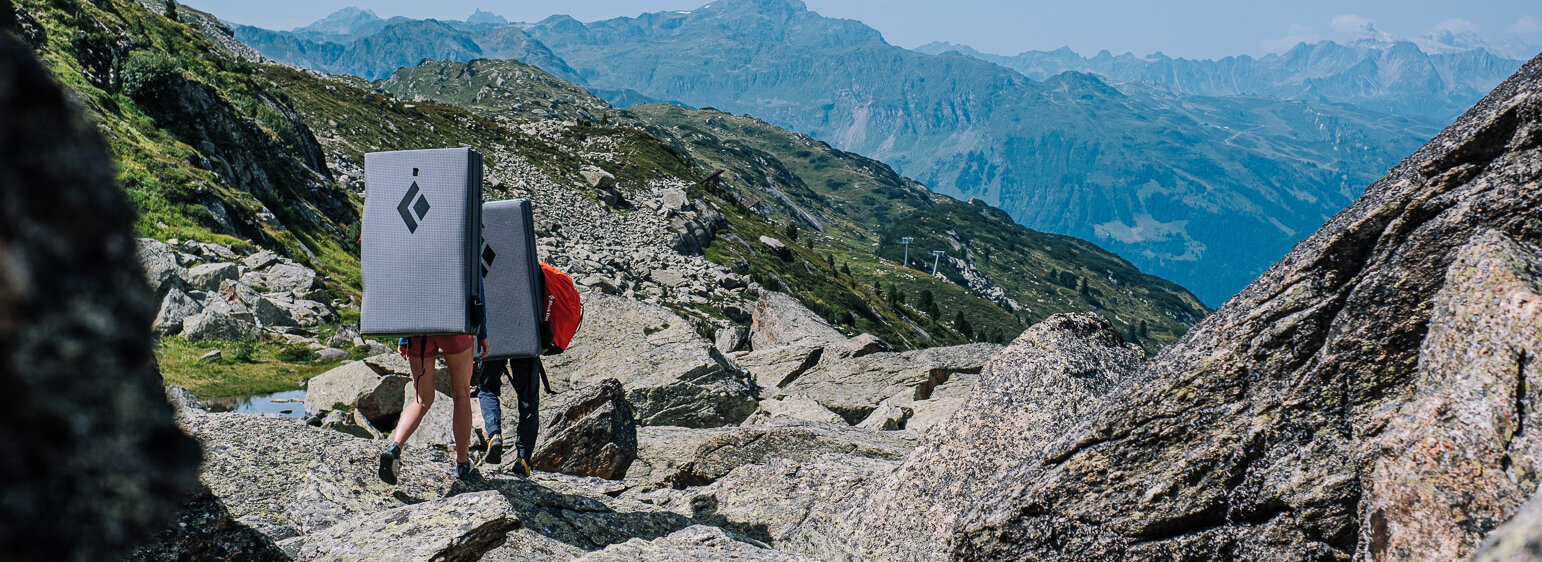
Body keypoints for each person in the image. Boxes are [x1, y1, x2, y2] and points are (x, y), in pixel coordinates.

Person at [378, 316, 489, 484]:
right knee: (461, 395)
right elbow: (477, 294)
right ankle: (462, 463)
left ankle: (395, 448)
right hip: (455, 326)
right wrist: (482, 333)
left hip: (419, 329)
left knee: (421, 398)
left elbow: (407, 298)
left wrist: (404, 337)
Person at [476, 357, 540, 476]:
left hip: (492, 343)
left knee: (487, 389)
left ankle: (495, 435)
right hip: (526, 343)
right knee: (529, 401)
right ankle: (523, 459)